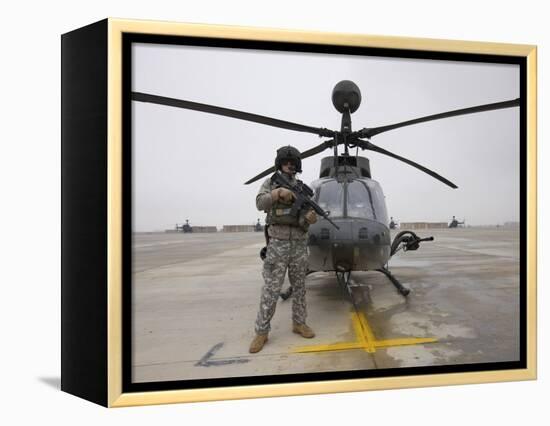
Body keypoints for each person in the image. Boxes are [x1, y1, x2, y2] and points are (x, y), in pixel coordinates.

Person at [249, 145, 318, 353]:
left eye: (294, 163)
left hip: (298, 244)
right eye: (287, 162)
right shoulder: (271, 183)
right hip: (277, 244)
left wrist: (309, 219)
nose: (290, 165)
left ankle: (299, 323)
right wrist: (278, 193)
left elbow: (306, 219)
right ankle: (261, 332)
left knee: (299, 288)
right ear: (280, 164)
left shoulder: (303, 189)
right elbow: (260, 203)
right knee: (271, 289)